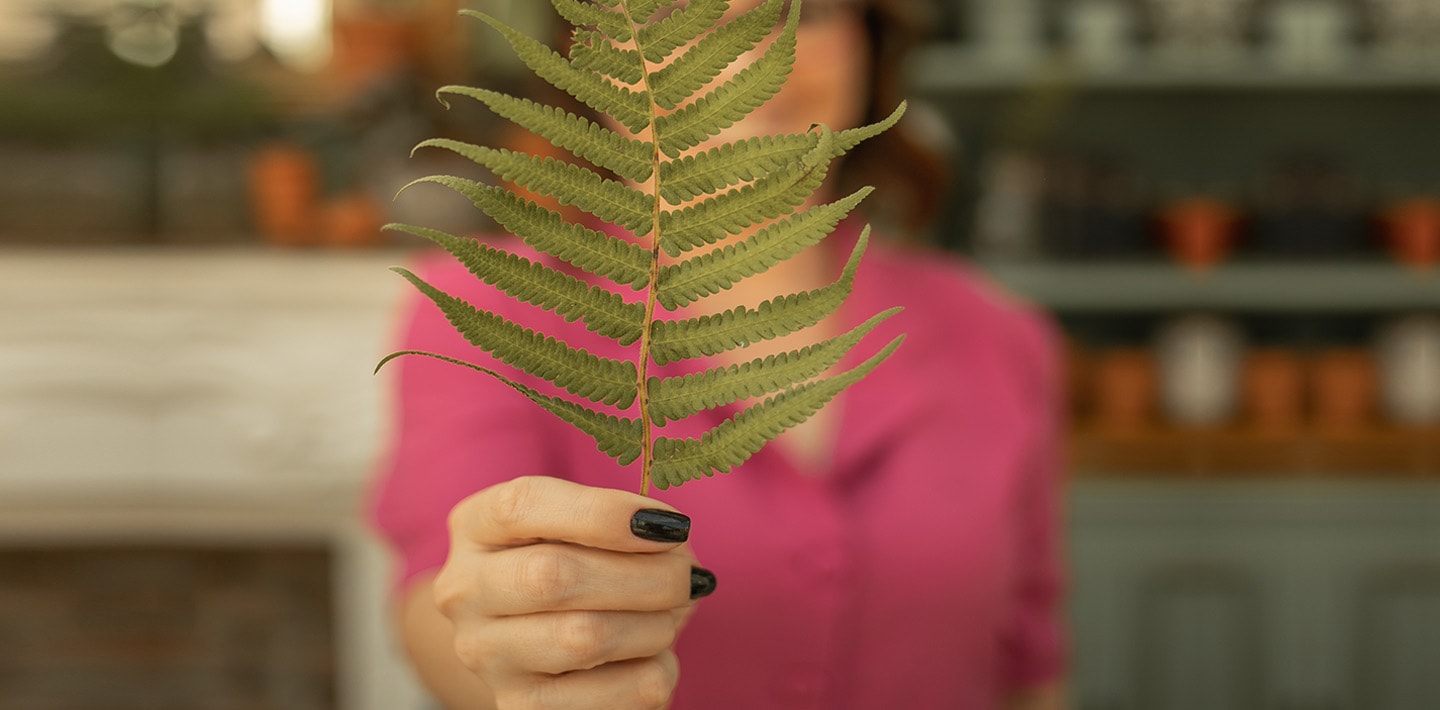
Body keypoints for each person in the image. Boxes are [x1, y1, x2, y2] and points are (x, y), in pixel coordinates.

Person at [366, 0, 1069, 708]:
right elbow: (440, 606)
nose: (753, 56)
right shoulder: (487, 311)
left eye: (808, 10)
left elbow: (1030, 661)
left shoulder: (998, 333)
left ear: (871, 40)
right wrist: (508, 655)